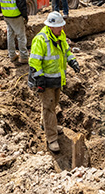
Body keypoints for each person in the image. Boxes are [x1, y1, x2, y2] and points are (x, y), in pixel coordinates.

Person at [28, 11, 79, 153]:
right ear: (50, 27)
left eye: (62, 26)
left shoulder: (60, 36)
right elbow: (34, 61)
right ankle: (52, 138)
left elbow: (66, 51)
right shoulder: (41, 40)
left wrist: (72, 61)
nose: (61, 29)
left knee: (53, 104)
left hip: (57, 79)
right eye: (59, 27)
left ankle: (46, 124)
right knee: (49, 108)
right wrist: (39, 78)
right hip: (46, 80)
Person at [0, 0, 29, 64]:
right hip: (16, 15)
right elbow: (22, 4)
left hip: (6, 15)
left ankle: (12, 55)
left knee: (10, 34)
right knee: (21, 36)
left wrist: (3, 11)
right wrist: (25, 16)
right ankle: (24, 57)